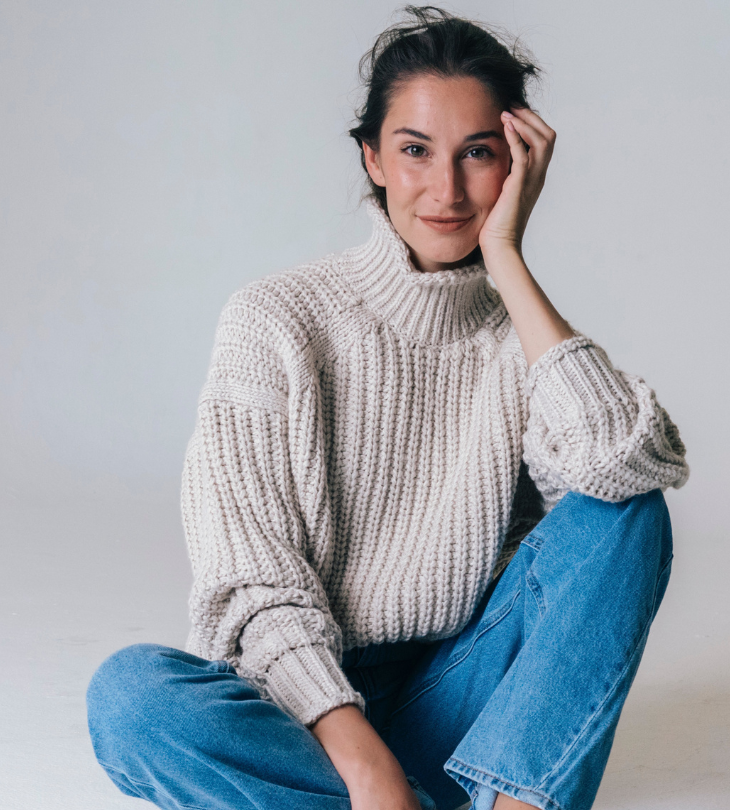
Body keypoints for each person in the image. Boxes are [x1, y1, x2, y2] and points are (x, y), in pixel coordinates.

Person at [85, 6, 690, 810]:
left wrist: (507, 257)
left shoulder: (524, 341)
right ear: (371, 157)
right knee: (131, 700)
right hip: (310, 718)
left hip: (460, 699)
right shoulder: (278, 319)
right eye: (414, 151)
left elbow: (628, 464)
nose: (445, 190)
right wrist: (370, 772)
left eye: (478, 154)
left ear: (516, 167)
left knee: (628, 511)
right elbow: (249, 581)